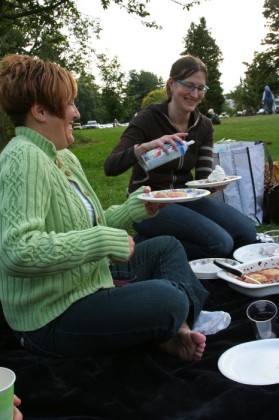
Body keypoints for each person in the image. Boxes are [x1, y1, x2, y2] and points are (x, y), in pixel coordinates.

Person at [0, 54, 209, 363]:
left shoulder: (63, 157)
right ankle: (170, 326)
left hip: (90, 280)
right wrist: (100, 242)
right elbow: (18, 251)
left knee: (167, 248)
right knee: (170, 298)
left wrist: (131, 209)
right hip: (50, 316)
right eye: (69, 103)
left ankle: (170, 328)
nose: (76, 111)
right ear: (40, 111)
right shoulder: (23, 157)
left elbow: (85, 227)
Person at [104, 55, 257, 261]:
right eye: (189, 86)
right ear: (172, 84)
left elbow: (202, 179)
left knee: (247, 231)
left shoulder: (203, 125)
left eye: (201, 88)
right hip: (149, 203)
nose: (195, 94)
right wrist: (142, 148)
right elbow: (110, 166)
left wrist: (216, 183)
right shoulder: (148, 119)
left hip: (187, 197)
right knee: (220, 243)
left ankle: (172, 245)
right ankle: (148, 248)